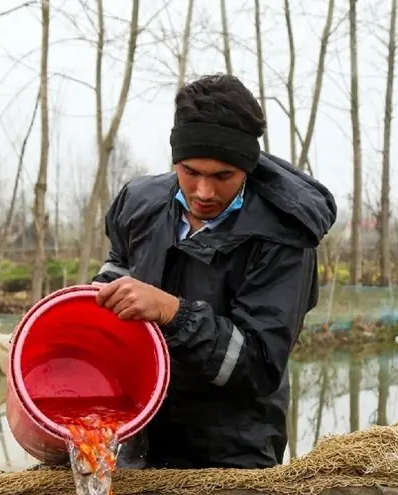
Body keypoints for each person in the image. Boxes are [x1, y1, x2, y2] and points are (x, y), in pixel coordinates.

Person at [92, 73, 337, 469]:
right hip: (140, 430)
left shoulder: (283, 236)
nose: (204, 192)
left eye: (223, 176)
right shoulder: (139, 202)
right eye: (190, 172)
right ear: (176, 160)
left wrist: (173, 312)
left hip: (233, 448)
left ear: (247, 167)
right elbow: (117, 266)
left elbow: (258, 366)